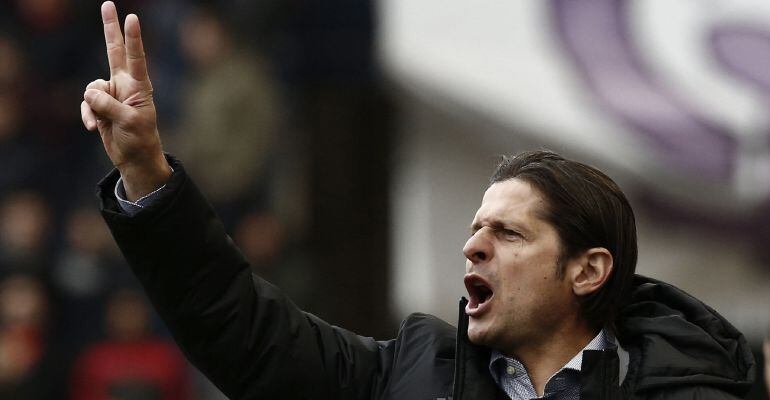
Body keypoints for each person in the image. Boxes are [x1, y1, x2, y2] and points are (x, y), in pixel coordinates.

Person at [80, 2, 755, 399]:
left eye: (511, 234)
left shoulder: (687, 387)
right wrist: (148, 176)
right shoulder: (410, 373)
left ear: (587, 270)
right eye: (475, 227)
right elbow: (241, 329)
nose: (474, 244)